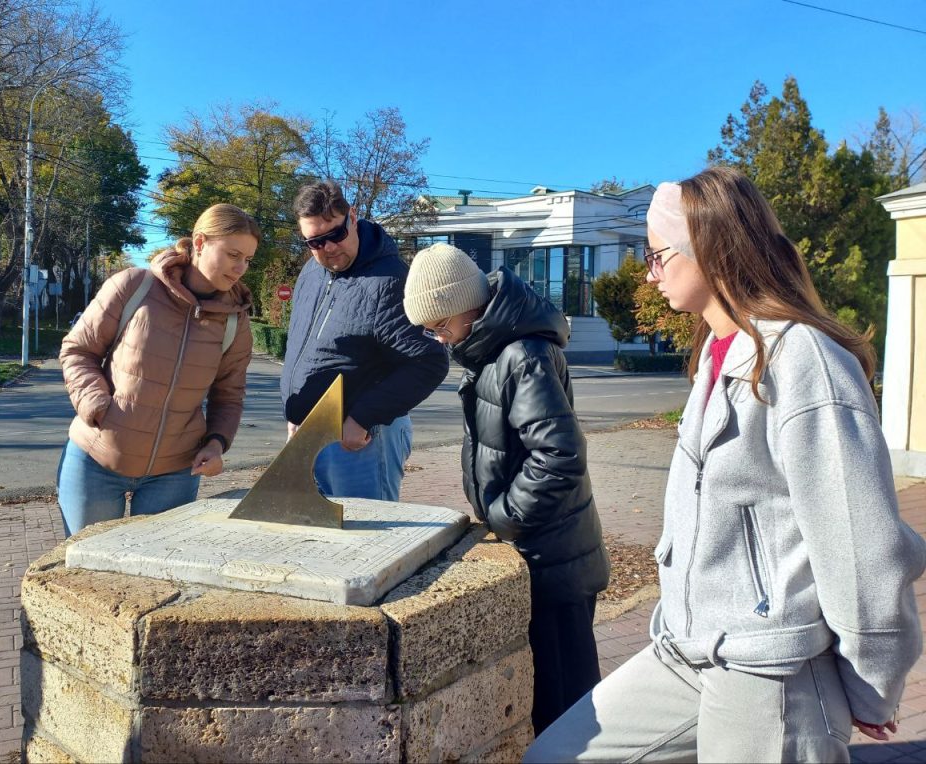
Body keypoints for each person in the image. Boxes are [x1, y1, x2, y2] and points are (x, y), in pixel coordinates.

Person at [526, 167, 926, 763]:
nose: (650, 273)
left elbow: (859, 545)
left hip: (770, 672)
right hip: (688, 649)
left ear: (708, 251)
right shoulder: (718, 354)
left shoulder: (803, 361)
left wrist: (873, 682)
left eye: (657, 255)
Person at [402, 243, 609, 734]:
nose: (438, 339)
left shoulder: (522, 355)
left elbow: (558, 457)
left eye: (439, 325)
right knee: (552, 705)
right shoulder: (493, 350)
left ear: (467, 306)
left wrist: (502, 516)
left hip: (553, 558)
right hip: (539, 547)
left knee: (566, 710)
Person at [57, 203, 259, 536]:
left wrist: (216, 443)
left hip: (174, 475)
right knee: (84, 559)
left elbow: (229, 394)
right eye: (233, 254)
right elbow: (78, 349)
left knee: (154, 566)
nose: (240, 268)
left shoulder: (235, 321)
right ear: (199, 242)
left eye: (248, 259)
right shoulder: (134, 286)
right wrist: (95, 403)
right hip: (96, 460)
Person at [280, 180, 448, 501]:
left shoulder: (390, 280)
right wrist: (296, 413)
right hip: (309, 434)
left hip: (361, 442)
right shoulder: (311, 274)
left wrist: (361, 419)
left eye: (336, 234)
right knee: (320, 529)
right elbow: (301, 346)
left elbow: (429, 363)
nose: (328, 247)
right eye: (315, 242)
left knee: (368, 529)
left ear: (353, 217)